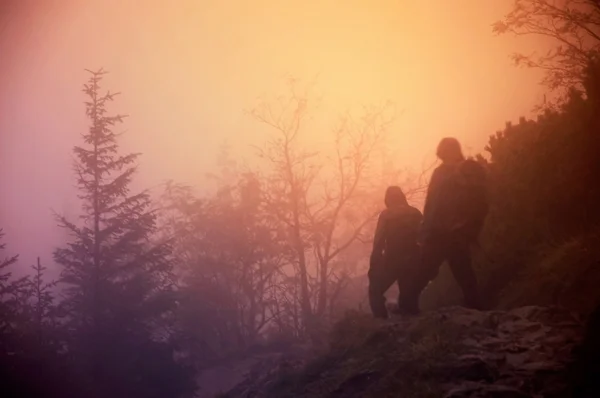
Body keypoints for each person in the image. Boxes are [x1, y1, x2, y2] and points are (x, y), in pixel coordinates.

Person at [408, 137, 489, 311]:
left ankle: (408, 306)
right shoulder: (471, 169)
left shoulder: (442, 173)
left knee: (425, 271)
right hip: (458, 231)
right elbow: (482, 202)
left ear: (444, 152)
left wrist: (425, 230)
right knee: (463, 271)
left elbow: (432, 204)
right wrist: (469, 228)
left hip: (439, 232)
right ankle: (476, 307)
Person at [368, 186, 423, 319]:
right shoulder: (415, 213)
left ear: (388, 199)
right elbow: (425, 236)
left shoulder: (387, 215)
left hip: (392, 260)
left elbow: (378, 243)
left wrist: (373, 267)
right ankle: (412, 329)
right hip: (414, 260)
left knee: (374, 291)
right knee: (409, 300)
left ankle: (381, 323)